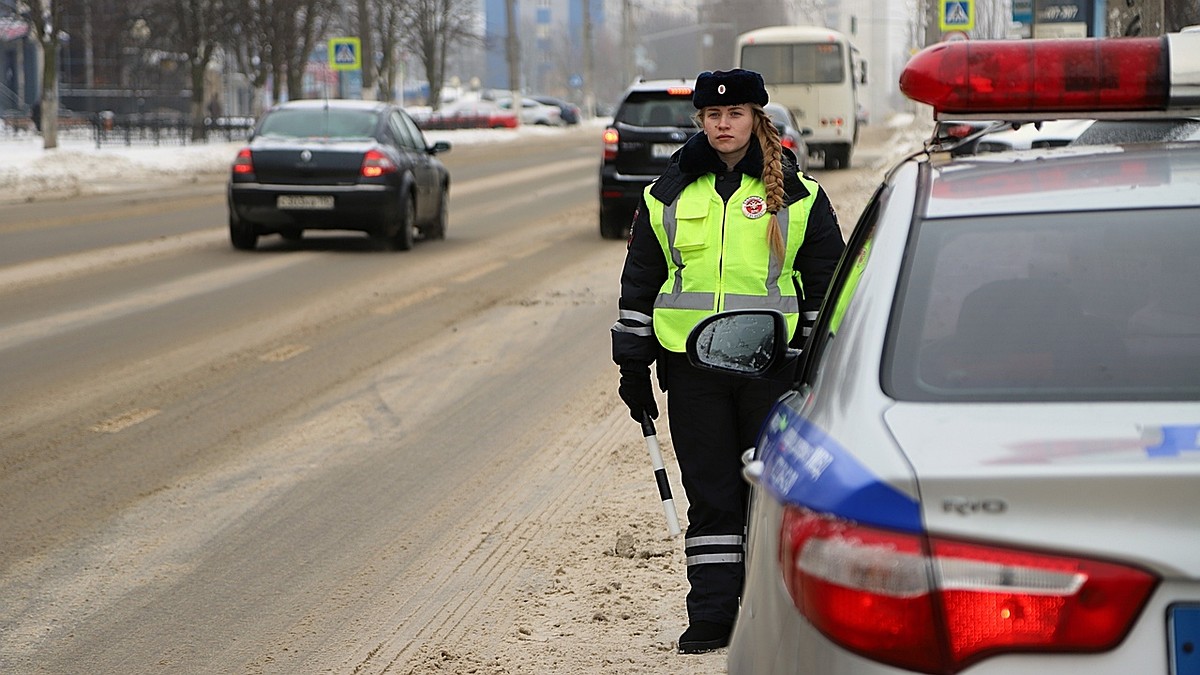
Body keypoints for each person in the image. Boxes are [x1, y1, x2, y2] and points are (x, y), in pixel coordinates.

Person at [610, 68, 845, 654]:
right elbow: (640, 286)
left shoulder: (799, 195)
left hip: (772, 368)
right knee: (712, 493)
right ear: (700, 120)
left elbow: (826, 289)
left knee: (771, 496)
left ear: (756, 118)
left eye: (735, 113)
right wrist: (632, 367)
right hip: (692, 369)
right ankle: (714, 613)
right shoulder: (667, 194)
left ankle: (776, 611)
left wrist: (818, 365)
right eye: (712, 115)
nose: (723, 124)